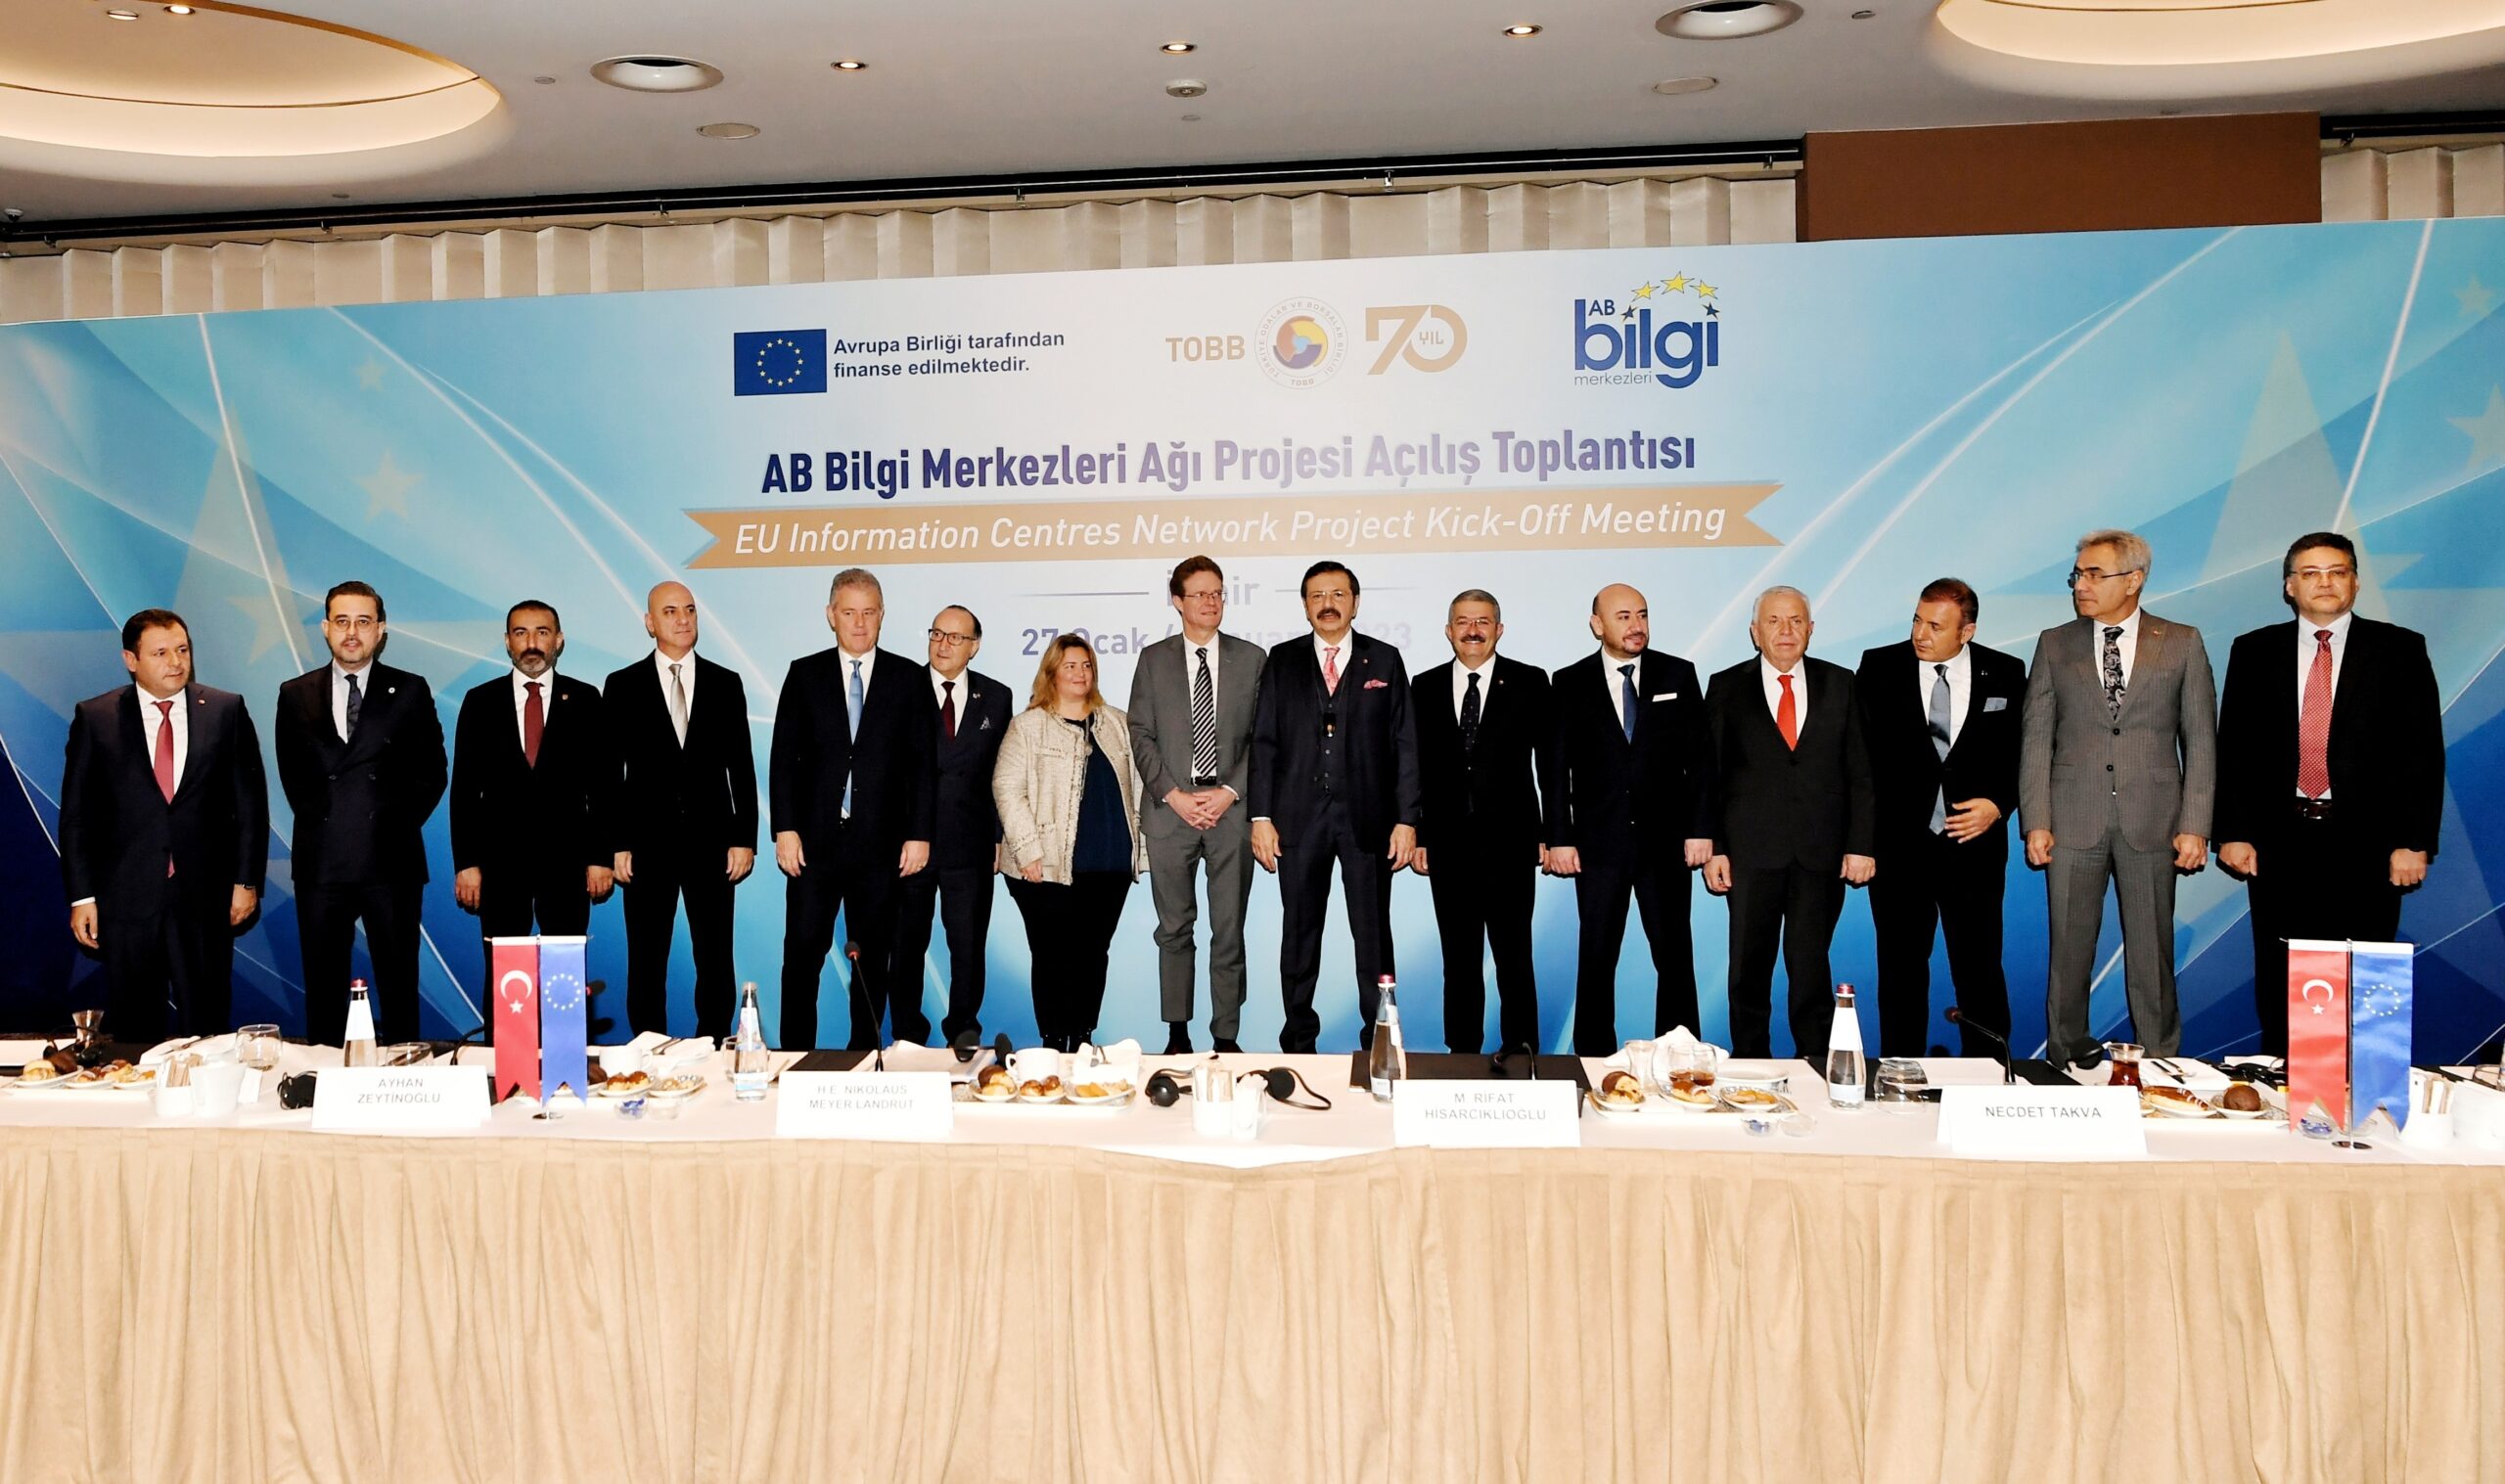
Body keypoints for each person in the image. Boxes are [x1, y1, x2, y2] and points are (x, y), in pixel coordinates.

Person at [2214, 532, 2442, 1056]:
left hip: (2370, 842)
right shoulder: (2254, 650)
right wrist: (2233, 831)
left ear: (2355, 583)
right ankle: (2286, 1079)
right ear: (2289, 586)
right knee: (2281, 972)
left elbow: (2422, 751)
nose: (2325, 583)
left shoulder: (2399, 648)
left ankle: (2364, 1084)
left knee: (2364, 972)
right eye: (2311, 573)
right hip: (2279, 840)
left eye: (2337, 572)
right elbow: (2236, 747)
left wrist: (2413, 841)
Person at [2020, 529, 2216, 1066]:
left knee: (2152, 954)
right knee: (2068, 953)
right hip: (2070, 820)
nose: (2080, 585)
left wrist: (2195, 825)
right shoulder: (2054, 643)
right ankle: (2064, 1060)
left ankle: (2160, 1064)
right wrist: (2036, 819)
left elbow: (2200, 740)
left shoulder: (2181, 641)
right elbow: (2036, 738)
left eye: (2093, 574)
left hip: (2154, 820)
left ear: (2133, 580)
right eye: (2077, 575)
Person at [61, 608, 269, 1042]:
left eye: (182, 650)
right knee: (135, 1029)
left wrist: (246, 881)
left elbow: (250, 805)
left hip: (205, 896)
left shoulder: (225, 710)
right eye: (160, 653)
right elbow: (77, 815)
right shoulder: (96, 717)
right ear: (131, 660)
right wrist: (82, 896)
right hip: (126, 899)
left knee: (207, 1023)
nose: (176, 662)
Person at [1250, 561, 1422, 1053]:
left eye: (1338, 594)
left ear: (1355, 602)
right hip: (1298, 822)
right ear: (1305, 606)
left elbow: (1405, 744)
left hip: (1369, 823)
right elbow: (1264, 742)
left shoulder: (1384, 659)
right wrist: (1261, 817)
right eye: (1317, 596)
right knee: (1299, 938)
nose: (1328, 604)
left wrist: (1407, 820)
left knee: (1374, 938)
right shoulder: (1282, 660)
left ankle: (1380, 1042)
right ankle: (1298, 1040)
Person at [1704, 586, 1876, 1062]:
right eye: (1774, 621)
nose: (1786, 630)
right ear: (1755, 632)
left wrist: (1861, 844)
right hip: (1749, 853)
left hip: (1821, 853)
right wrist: (1716, 847)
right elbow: (1708, 775)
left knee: (1811, 969)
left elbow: (1861, 771)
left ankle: (1816, 1063)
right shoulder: (1725, 686)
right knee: (1748, 970)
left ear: (1811, 629)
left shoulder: (1840, 683)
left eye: (1796, 620)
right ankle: (1750, 1063)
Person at [1855, 578, 2023, 1060]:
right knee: (1900, 971)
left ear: (1966, 631)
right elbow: (1860, 760)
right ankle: (1900, 1072)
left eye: (1935, 626)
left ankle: (1990, 1074)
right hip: (1899, 851)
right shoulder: (1879, 667)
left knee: (1980, 969)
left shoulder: (2006, 671)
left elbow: (2026, 751)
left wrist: (1999, 804)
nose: (1920, 634)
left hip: (1974, 850)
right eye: (1917, 620)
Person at [768, 568, 936, 1050]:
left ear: (882, 615)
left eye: (868, 612)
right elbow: (783, 759)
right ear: (831, 615)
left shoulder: (909, 678)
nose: (859, 624)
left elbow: (923, 764)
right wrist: (785, 829)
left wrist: (919, 834)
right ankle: (793, 1057)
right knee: (802, 956)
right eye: (849, 613)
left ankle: (863, 1056)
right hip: (813, 847)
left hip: (881, 848)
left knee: (873, 959)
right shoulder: (804, 674)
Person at [1544, 583, 1714, 1056]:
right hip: (1597, 846)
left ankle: (1680, 1060)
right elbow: (1555, 768)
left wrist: (1702, 830)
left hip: (1667, 844)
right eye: (1623, 617)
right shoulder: (1569, 681)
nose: (1636, 625)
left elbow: (1702, 761)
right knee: (1596, 958)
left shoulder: (1678, 673)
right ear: (1597, 624)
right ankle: (1593, 1061)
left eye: (1642, 614)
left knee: (1675, 956)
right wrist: (1559, 837)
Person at [274, 581, 446, 1045]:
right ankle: (325, 1074)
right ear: (325, 628)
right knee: (323, 988)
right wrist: (331, 819)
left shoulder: (409, 690)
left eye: (364, 622)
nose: (352, 632)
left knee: (399, 984)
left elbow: (432, 773)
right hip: (322, 863)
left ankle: (405, 1072)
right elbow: (294, 775)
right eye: (343, 622)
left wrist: (388, 823)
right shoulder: (295, 693)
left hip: (390, 862)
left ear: (381, 630)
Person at [603, 581, 757, 1040]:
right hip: (646, 847)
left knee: (715, 958)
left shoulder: (725, 682)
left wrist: (744, 838)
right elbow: (610, 774)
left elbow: (741, 767)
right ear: (650, 623)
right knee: (646, 960)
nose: (683, 618)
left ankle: (715, 1044)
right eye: (670, 611)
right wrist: (617, 844)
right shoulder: (622, 685)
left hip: (713, 845)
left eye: (689, 609)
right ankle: (649, 1048)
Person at [1125, 556, 1265, 1055]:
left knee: (1228, 931)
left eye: (1217, 593)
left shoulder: (1252, 658)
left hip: (1231, 813)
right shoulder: (1153, 659)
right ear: (1177, 601)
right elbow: (1140, 733)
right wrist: (1174, 794)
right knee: (1174, 929)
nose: (1211, 602)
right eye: (1200, 594)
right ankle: (1177, 1035)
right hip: (1171, 813)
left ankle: (1226, 1036)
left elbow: (1264, 737)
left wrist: (1229, 792)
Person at [449, 601, 615, 1013]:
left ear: (559, 640)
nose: (532, 643)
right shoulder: (480, 701)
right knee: (505, 980)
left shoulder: (586, 699)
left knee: (566, 977)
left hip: (568, 865)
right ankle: (503, 1056)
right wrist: (466, 863)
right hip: (500, 867)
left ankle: (566, 1055)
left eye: (542, 632)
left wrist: (600, 858)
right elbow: (465, 790)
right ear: (507, 642)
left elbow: (603, 787)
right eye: (521, 633)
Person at [1413, 590, 1552, 1055]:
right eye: (1463, 622)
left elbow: (1550, 764)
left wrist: (1551, 834)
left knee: (1515, 958)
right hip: (1448, 845)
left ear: (1499, 629)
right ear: (1449, 630)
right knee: (1459, 960)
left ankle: (1523, 1051)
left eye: (1483, 622)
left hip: (1512, 844)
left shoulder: (1530, 681)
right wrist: (1419, 833)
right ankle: (1462, 1055)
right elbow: (1414, 768)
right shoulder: (1424, 686)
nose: (1473, 631)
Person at [992, 634, 1147, 1051]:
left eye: (1086, 665)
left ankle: (1081, 1040)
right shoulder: (1028, 726)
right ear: (1052, 674)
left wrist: (1139, 848)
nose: (1080, 673)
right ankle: (1052, 1042)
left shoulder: (1116, 723)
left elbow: (1138, 786)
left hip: (1109, 864)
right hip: (1044, 867)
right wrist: (1028, 850)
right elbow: (1007, 788)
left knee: (1094, 955)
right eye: (1070, 666)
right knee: (1052, 955)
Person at [895, 604, 1010, 1048]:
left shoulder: (996, 697)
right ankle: (907, 1031)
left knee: (967, 945)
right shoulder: (901, 688)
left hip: (970, 843)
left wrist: (998, 834)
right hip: (910, 842)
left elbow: (1001, 772)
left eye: (955, 637)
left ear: (974, 646)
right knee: (906, 944)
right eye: (937, 634)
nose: (943, 644)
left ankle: (963, 1028)